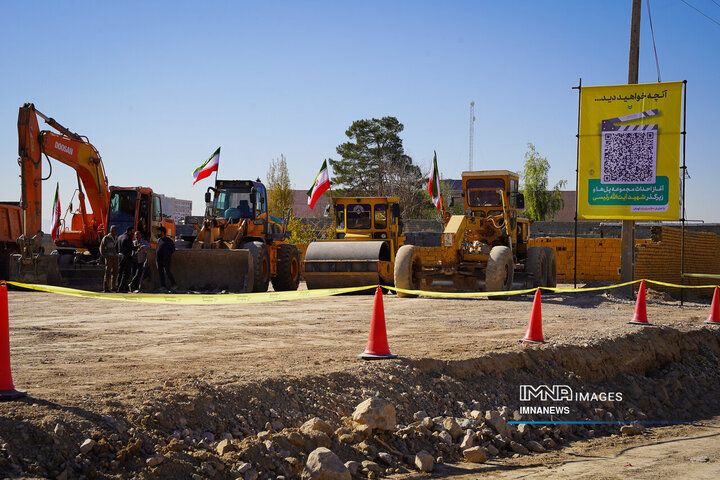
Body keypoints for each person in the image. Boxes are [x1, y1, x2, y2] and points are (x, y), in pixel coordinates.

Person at [156, 225, 177, 291]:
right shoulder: (159, 240)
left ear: (163, 232)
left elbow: (173, 249)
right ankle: (163, 286)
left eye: (159, 232)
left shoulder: (169, 241)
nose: (157, 233)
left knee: (167, 272)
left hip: (166, 260)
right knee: (161, 273)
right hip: (159, 260)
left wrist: (167, 255)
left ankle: (174, 285)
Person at [99, 225, 118, 293]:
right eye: (114, 230)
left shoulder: (116, 238)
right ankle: (106, 288)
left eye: (116, 230)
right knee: (108, 272)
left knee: (115, 272)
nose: (116, 231)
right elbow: (101, 248)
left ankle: (113, 287)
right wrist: (105, 256)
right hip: (109, 257)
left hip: (115, 257)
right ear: (111, 230)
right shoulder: (106, 238)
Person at [116, 226, 135, 293]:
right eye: (132, 231)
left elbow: (116, 248)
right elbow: (132, 248)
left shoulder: (119, 237)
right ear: (129, 231)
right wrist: (137, 247)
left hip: (120, 256)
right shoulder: (128, 237)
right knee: (126, 273)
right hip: (126, 257)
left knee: (120, 272)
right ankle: (121, 288)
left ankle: (118, 287)